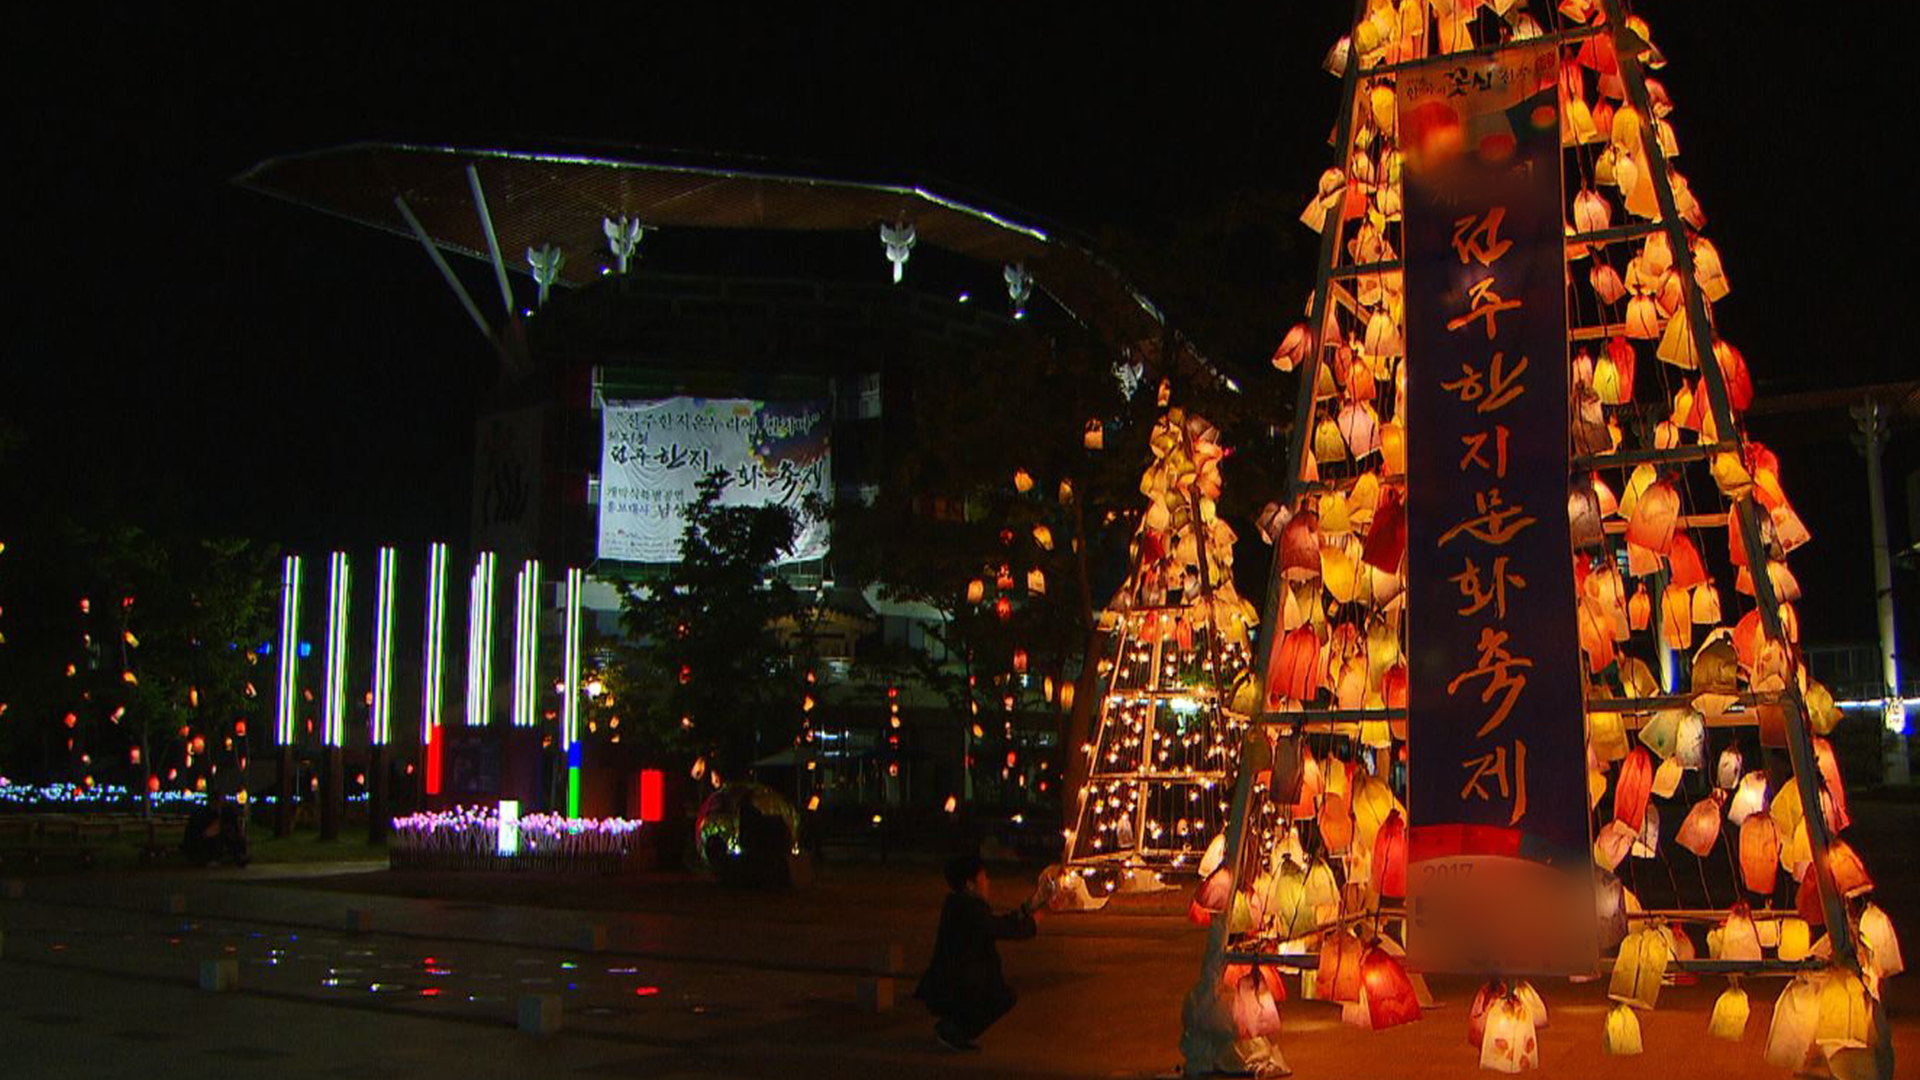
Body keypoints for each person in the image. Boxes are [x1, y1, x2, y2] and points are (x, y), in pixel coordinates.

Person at [914, 854, 1056, 1051]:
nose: (988, 882)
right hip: (955, 985)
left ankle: (951, 1026)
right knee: (1002, 997)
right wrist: (1039, 916)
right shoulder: (968, 910)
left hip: (950, 981)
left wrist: (1029, 908)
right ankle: (953, 1031)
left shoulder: (959, 904)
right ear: (970, 884)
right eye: (983, 877)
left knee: (993, 992)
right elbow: (1003, 929)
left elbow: (999, 923)